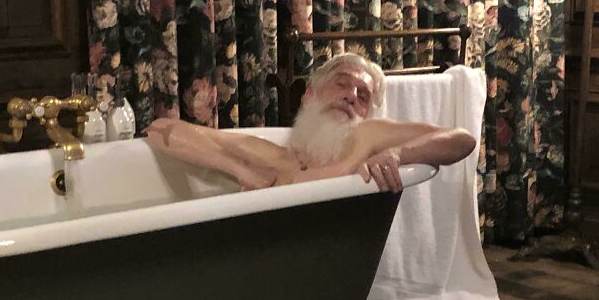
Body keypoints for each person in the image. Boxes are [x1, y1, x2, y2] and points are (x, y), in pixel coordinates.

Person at [144, 53, 476, 193]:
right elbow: (158, 130)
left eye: (363, 95)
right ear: (309, 95)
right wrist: (239, 169)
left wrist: (398, 154)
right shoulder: (273, 155)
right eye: (341, 84)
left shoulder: (366, 137)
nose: (351, 96)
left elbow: (461, 139)